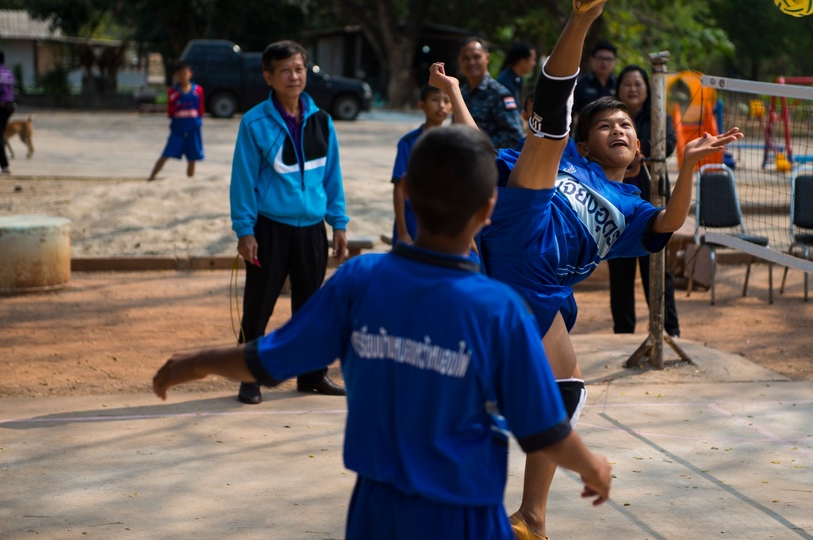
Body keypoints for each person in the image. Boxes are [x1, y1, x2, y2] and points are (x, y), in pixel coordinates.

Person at [427, 0, 742, 540]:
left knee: (563, 396)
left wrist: (691, 170)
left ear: (637, 145)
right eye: (607, 125)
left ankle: (532, 518)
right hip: (520, 232)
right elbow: (482, 148)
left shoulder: (630, 205)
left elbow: (668, 227)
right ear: (590, 141)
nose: (619, 128)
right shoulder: (570, 162)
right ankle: (583, 14)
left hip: (541, 288)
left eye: (626, 124)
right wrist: (460, 96)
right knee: (548, 127)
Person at [153, 124, 613, 538]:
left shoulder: (360, 280)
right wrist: (590, 465)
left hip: (375, 514)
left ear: (408, 193)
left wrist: (194, 362)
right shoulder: (498, 311)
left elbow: (268, 360)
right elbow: (543, 426)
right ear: (489, 208)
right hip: (463, 516)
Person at [230, 40, 349, 404]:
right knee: (258, 305)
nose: (294, 76)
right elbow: (243, 180)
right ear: (269, 77)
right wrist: (245, 230)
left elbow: (332, 177)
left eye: (299, 69)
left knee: (312, 306)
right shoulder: (254, 123)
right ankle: (248, 376)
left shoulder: (322, 121)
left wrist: (338, 223)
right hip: (269, 228)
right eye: (285, 70)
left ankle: (312, 375)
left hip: (312, 228)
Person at [609, 64, 680, 336]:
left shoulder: (658, 115)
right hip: (615, 205)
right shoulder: (608, 116)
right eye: (627, 83)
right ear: (618, 88)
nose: (633, 88)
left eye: (638, 83)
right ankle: (623, 332)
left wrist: (639, 151)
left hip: (652, 204)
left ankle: (668, 331)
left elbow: (670, 143)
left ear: (647, 89)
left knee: (658, 271)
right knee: (620, 274)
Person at [390, 83, 452, 245]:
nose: (441, 106)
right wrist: (403, 232)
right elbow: (398, 187)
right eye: (434, 100)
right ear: (421, 105)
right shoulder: (409, 142)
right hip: (413, 219)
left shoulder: (455, 144)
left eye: (446, 100)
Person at [458, 37, 524, 150]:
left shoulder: (499, 93)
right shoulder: (461, 94)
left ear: (487, 58)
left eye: (476, 57)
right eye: (466, 58)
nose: (471, 62)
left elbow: (514, 136)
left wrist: (479, 146)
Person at [147, 62, 205, 181]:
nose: (183, 76)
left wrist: (198, 121)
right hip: (178, 128)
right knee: (167, 152)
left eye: (185, 73)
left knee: (192, 156)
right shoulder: (173, 92)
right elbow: (170, 111)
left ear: (190, 74)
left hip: (193, 127)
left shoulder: (198, 90)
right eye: (180, 74)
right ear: (176, 76)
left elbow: (201, 109)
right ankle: (152, 177)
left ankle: (190, 179)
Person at [572, 39, 618, 117]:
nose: (604, 63)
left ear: (615, 62)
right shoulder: (580, 83)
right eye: (600, 58)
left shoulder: (619, 84)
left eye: (609, 59)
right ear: (591, 59)